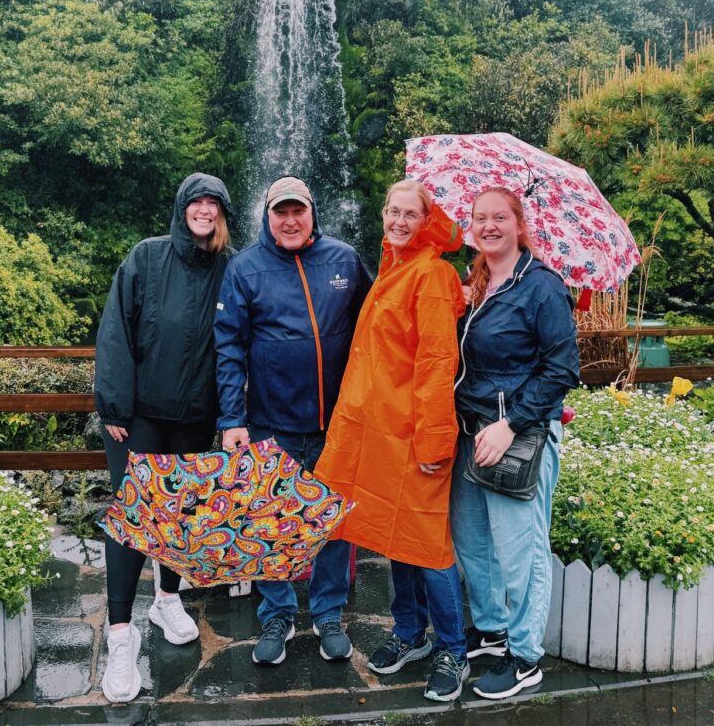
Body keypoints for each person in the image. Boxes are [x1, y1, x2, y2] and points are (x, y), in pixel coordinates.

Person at [314, 179, 470, 703]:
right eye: (393, 211)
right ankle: (410, 632)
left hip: (415, 435)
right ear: (383, 214)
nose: (400, 221)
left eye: (411, 214)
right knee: (398, 535)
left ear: (427, 222)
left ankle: (453, 649)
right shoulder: (393, 268)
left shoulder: (431, 274)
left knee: (429, 545)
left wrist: (434, 442)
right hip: (383, 433)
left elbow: (436, 363)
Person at [214, 175, 372, 666]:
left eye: (297, 210)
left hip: (336, 424)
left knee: (330, 522)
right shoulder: (245, 268)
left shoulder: (344, 259)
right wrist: (232, 418)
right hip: (271, 422)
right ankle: (277, 614)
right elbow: (228, 346)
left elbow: (375, 325)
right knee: (271, 521)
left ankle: (328, 613)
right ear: (267, 217)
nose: (289, 220)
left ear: (312, 212)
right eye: (279, 212)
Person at [93, 173, 234, 703]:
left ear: (222, 214)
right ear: (182, 208)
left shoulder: (230, 267)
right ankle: (120, 635)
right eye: (197, 201)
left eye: (214, 203)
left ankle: (167, 598)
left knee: (181, 511)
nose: (204, 210)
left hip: (195, 416)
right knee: (133, 517)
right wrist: (114, 402)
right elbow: (115, 328)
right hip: (139, 416)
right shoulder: (147, 257)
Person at [450, 186, 580, 700]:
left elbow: (561, 368)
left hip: (518, 436)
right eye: (480, 218)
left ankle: (525, 656)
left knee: (520, 551)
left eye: (499, 218)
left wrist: (512, 424)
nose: (489, 227)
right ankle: (492, 629)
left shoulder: (542, 287)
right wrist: (460, 309)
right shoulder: (478, 283)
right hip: (472, 431)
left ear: (519, 224)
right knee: (473, 541)